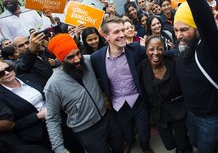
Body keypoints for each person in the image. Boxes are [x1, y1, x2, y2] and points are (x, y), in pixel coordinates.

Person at [163, 0, 218, 152]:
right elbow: (166, 53)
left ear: (197, 30)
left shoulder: (209, 50)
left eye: (185, 29)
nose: (179, 34)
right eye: (176, 30)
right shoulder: (180, 51)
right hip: (190, 114)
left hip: (211, 118)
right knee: (195, 146)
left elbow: (205, 20)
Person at [45, 33, 124, 153]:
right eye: (70, 57)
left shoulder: (87, 60)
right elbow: (52, 118)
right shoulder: (53, 85)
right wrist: (58, 148)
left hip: (107, 118)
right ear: (61, 60)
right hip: (87, 132)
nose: (77, 59)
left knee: (120, 148)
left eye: (78, 54)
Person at [90, 17, 153, 153]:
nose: (122, 35)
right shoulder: (96, 58)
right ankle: (130, 142)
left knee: (144, 136)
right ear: (106, 37)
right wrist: (104, 96)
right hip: (118, 106)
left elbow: (155, 55)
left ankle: (146, 147)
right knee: (128, 136)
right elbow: (96, 79)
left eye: (123, 30)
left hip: (139, 101)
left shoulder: (135, 49)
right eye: (116, 32)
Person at [139, 36, 191, 152]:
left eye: (160, 49)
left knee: (182, 144)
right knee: (169, 145)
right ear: (146, 50)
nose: (156, 53)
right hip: (159, 113)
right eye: (151, 49)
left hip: (178, 110)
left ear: (165, 49)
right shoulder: (142, 67)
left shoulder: (173, 63)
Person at [0, 60, 52, 150]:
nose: (7, 73)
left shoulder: (28, 77)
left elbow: (49, 93)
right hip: (39, 134)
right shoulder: (1, 97)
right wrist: (37, 116)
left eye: (8, 68)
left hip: (58, 119)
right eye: (1, 73)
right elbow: (12, 125)